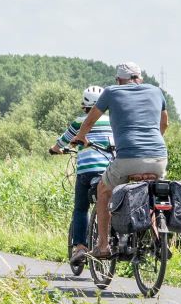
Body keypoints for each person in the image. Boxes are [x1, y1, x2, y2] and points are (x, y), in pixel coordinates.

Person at [65, 63, 169, 259]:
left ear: (119, 80)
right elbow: (165, 124)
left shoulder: (112, 92)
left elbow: (89, 121)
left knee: (103, 190)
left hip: (128, 157)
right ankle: (157, 237)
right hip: (158, 157)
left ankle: (103, 245)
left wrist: (81, 137)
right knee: (152, 193)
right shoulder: (156, 91)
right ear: (140, 77)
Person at [48, 85, 113, 268]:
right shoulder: (113, 121)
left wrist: (56, 149)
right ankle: (108, 239)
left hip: (87, 172)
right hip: (109, 171)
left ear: (84, 105)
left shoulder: (79, 121)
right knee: (111, 203)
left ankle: (80, 247)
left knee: (81, 209)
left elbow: (63, 141)